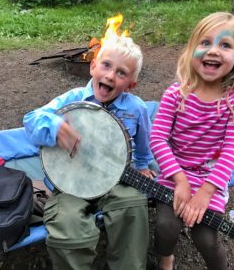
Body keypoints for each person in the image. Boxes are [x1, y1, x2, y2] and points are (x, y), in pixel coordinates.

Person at [23, 34, 155, 269]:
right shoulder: (72, 99)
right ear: (93, 66)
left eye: (121, 73)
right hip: (71, 180)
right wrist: (55, 126)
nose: (110, 75)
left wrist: (143, 166)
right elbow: (31, 120)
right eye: (106, 65)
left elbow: (144, 145)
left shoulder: (136, 109)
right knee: (67, 224)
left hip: (116, 177)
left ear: (131, 84)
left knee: (132, 205)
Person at [150, 12, 234, 270]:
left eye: (225, 45)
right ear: (192, 50)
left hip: (210, 181)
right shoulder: (176, 95)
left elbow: (231, 154)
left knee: (206, 239)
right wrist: (179, 180)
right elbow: (157, 138)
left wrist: (205, 194)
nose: (213, 51)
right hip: (173, 174)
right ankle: (166, 259)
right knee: (166, 226)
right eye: (205, 43)